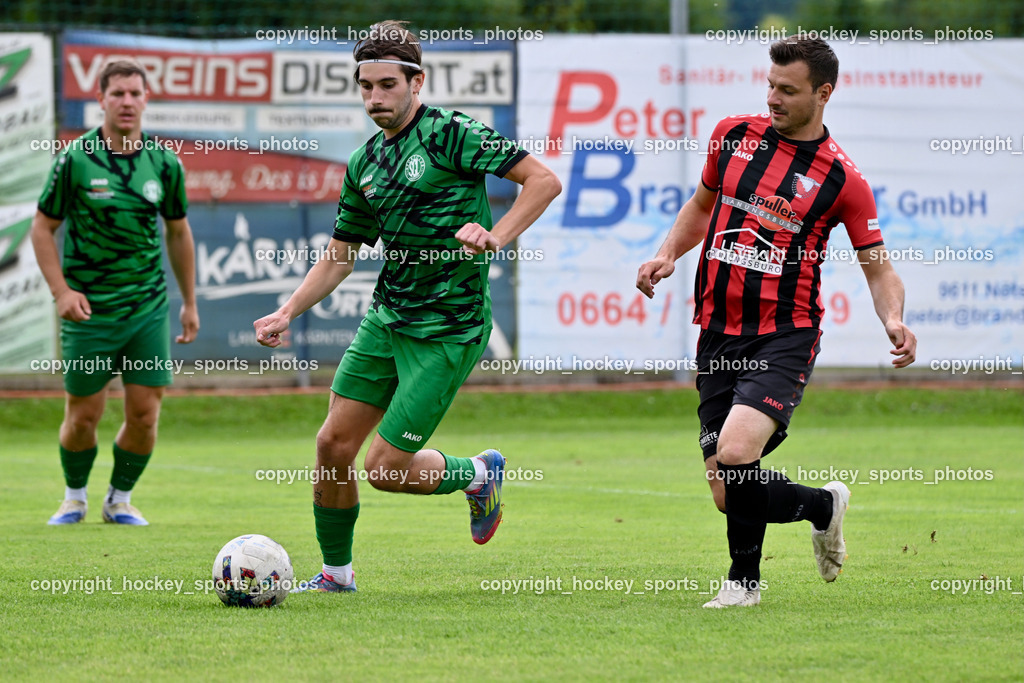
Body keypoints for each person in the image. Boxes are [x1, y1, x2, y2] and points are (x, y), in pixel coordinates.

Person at [253, 20, 561, 593]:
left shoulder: (451, 133)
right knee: (332, 445)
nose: (375, 97)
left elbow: (542, 181)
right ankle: (336, 575)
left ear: (417, 82)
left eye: (387, 85)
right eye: (365, 86)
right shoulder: (364, 163)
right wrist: (287, 311)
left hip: (449, 329)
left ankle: (477, 475)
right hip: (387, 318)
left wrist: (497, 235)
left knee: (384, 471)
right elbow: (340, 256)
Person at [636, 35, 916, 607]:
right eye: (769, 85)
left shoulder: (843, 180)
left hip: (785, 334)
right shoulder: (732, 136)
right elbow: (701, 206)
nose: (772, 98)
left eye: (787, 90)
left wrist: (894, 318)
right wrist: (668, 254)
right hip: (717, 331)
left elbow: (879, 266)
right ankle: (822, 506)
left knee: (738, 452)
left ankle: (743, 585)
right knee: (727, 492)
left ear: (823, 93)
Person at [32, 59, 199, 527]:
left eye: (135, 93)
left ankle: (119, 500)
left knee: (145, 415)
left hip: (147, 308)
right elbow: (42, 228)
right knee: (83, 416)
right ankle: (74, 498)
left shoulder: (164, 163)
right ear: (101, 99)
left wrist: (189, 302)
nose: (127, 102)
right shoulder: (75, 159)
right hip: (89, 311)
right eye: (118, 93)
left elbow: (179, 233)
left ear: (146, 100)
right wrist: (61, 292)